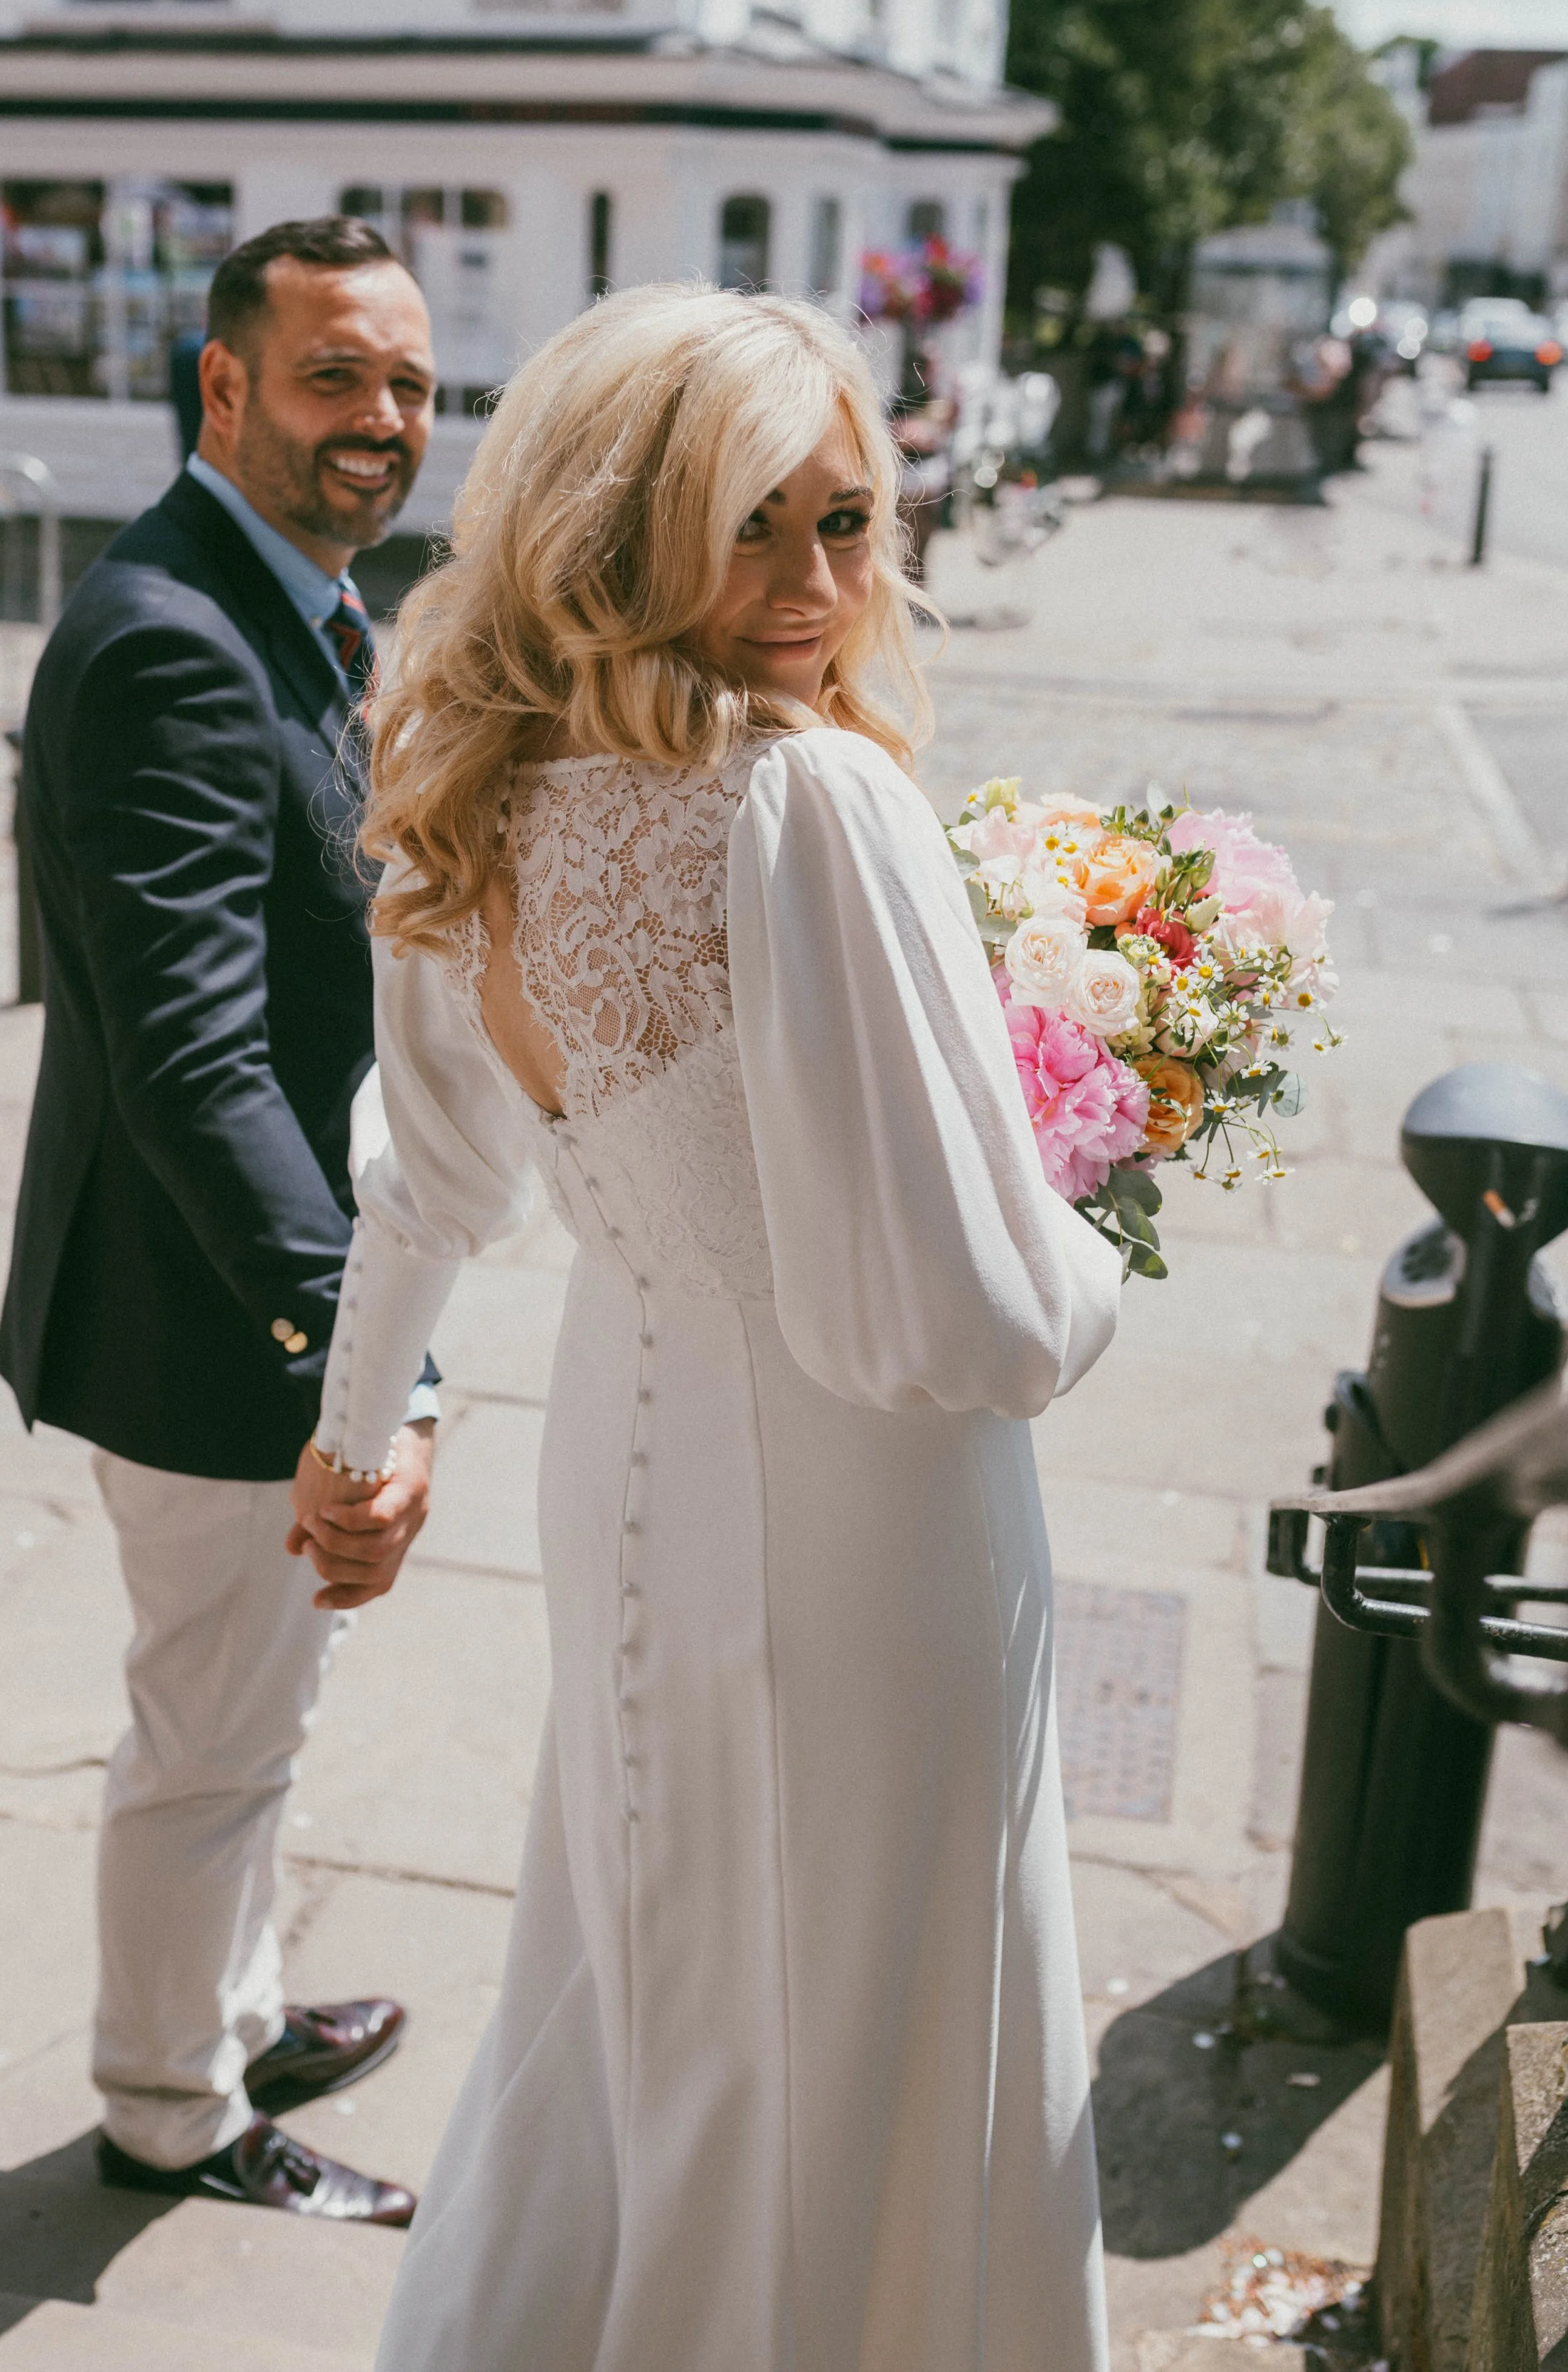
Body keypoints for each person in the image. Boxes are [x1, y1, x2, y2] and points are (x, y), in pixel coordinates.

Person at [294, 284, 1123, 2365]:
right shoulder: (806, 805)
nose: (812, 582)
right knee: (864, 2014)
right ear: (614, 521)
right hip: (872, 1532)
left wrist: (353, 1434)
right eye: (745, 524)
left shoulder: (480, 796)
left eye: (845, 519)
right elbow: (974, 1325)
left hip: (625, 1466)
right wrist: (1097, 1200)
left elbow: (428, 1183)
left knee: (640, 1970)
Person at [0, 216, 447, 2223]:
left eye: (414, 384)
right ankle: (170, 2107)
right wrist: (367, 1363)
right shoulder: (174, 637)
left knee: (256, 1709)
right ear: (226, 385)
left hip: (249, 1288)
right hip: (205, 1313)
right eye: (339, 374)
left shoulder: (301, 606)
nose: (383, 419)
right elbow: (192, 1061)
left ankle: (240, 2001)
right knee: (206, 1739)